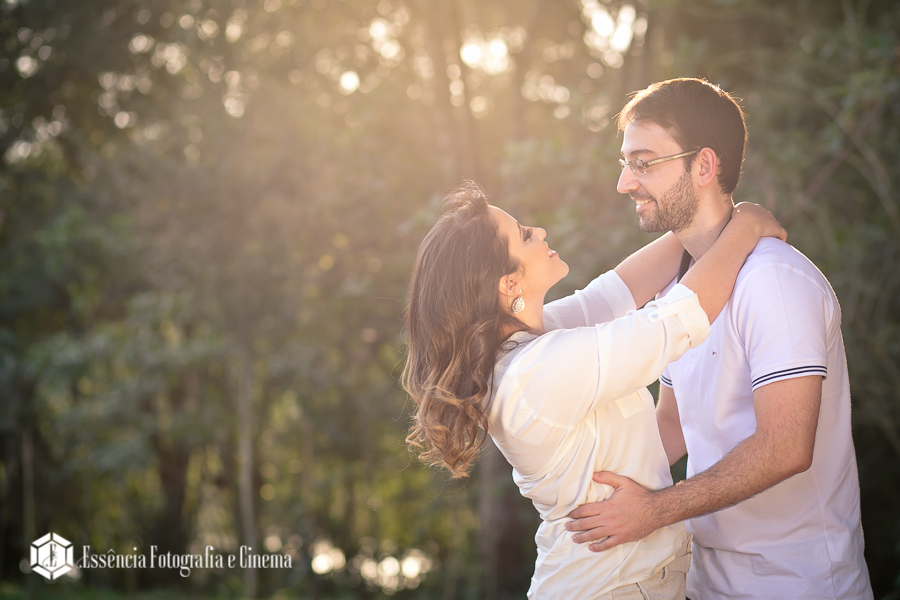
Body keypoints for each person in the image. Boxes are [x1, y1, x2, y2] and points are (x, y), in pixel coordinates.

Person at [565, 78, 874, 600]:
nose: (625, 183)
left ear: (703, 166)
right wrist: (588, 496)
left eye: (643, 162)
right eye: (625, 162)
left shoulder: (774, 281)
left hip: (800, 586)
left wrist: (653, 511)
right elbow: (673, 424)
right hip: (706, 582)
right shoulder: (680, 289)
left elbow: (786, 447)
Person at [403, 179, 785, 599]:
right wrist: (746, 227)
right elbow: (677, 320)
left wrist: (711, 223)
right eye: (525, 235)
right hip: (611, 588)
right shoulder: (535, 372)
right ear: (509, 283)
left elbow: (614, 292)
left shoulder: (528, 346)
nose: (541, 232)